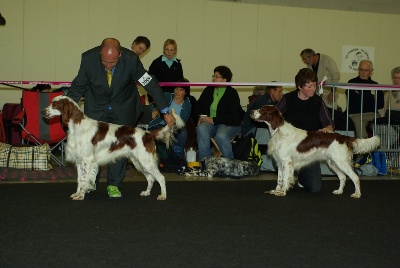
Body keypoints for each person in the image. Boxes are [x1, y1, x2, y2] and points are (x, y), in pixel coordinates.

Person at [67, 38, 175, 199]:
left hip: (123, 107)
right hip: (97, 106)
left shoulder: (132, 60)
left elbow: (150, 84)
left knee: (120, 146)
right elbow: (78, 86)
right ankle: (89, 183)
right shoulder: (88, 58)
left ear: (121, 55)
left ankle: (114, 185)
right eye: (104, 61)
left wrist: (166, 111)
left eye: (112, 62)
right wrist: (68, 109)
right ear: (99, 54)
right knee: (90, 148)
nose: (108, 65)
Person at [275, 68, 334, 193]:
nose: (313, 89)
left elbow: (328, 122)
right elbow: (274, 116)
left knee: (315, 188)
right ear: (299, 86)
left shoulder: (318, 101)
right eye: (309, 86)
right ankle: (282, 183)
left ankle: (301, 176)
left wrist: (328, 128)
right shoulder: (287, 99)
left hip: (308, 148)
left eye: (314, 86)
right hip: (289, 147)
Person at [196, 65, 242, 161]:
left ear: (225, 80)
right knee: (201, 128)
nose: (213, 79)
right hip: (212, 124)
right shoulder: (208, 90)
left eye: (217, 77)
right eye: (213, 76)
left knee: (220, 136)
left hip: (229, 124)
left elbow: (233, 115)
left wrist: (213, 120)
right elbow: (198, 106)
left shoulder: (232, 93)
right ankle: (206, 162)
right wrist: (201, 116)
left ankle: (230, 164)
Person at [147, 78, 192, 162]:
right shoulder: (167, 95)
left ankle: (177, 157)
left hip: (176, 126)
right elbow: (152, 105)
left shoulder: (187, 104)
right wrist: (154, 110)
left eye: (181, 90)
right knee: (159, 131)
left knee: (183, 133)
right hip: (161, 123)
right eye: (176, 89)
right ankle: (161, 158)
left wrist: (173, 123)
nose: (177, 92)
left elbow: (183, 121)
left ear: (186, 92)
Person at [347, 60, 384, 138]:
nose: (363, 72)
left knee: (383, 134)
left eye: (366, 70)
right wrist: (371, 97)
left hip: (373, 114)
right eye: (361, 69)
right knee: (362, 136)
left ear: (371, 71)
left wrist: (360, 95)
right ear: (358, 69)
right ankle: (363, 150)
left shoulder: (375, 85)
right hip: (356, 114)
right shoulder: (351, 82)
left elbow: (380, 104)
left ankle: (380, 150)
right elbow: (354, 101)